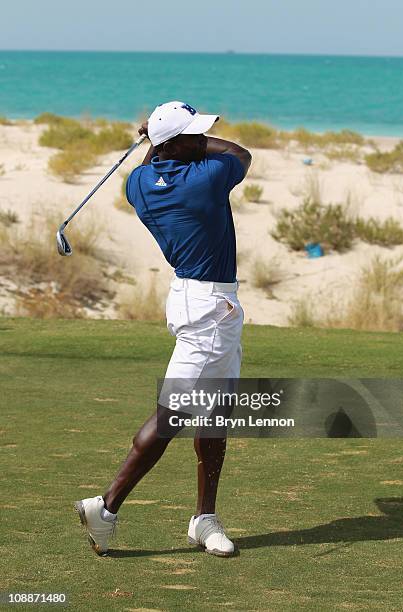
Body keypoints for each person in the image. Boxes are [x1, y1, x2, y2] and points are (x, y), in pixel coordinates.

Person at [74, 101, 251, 558]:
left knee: (215, 412)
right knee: (173, 414)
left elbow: (155, 163)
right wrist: (182, 142)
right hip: (210, 309)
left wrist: (163, 143)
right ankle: (107, 506)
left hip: (198, 300)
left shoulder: (139, 185)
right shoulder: (205, 178)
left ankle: (204, 519)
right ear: (178, 143)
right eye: (194, 133)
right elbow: (240, 155)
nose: (204, 137)